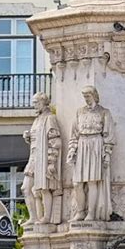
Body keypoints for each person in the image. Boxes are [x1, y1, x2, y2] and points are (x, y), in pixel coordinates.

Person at [66, 85, 115, 222]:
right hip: (82, 144)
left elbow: (109, 135)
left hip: (96, 145)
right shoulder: (79, 112)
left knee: (93, 181)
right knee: (77, 183)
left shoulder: (104, 112)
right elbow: (74, 133)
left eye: (88, 96)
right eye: (84, 97)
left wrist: (107, 153)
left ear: (94, 95)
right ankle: (81, 211)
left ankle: (91, 213)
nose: (86, 99)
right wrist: (72, 150)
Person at [21, 92, 62, 225]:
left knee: (45, 188)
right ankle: (33, 217)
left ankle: (46, 217)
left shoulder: (50, 118)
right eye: (33, 103)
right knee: (26, 188)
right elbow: (36, 139)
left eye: (36, 103)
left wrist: (51, 162)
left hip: (43, 157)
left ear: (44, 103)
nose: (34, 106)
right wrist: (28, 137)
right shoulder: (37, 120)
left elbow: (55, 141)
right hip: (33, 157)